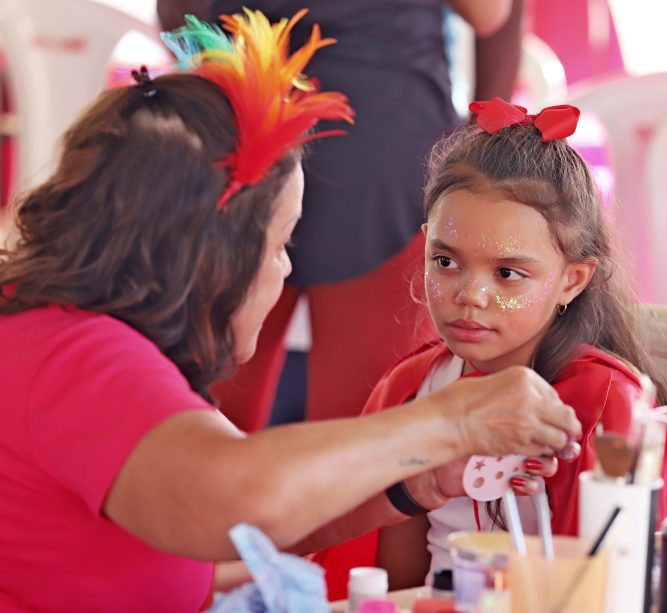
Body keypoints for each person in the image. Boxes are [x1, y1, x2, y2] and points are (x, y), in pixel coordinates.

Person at [0, 14, 582, 611]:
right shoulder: (76, 358)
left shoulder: (63, 335)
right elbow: (237, 498)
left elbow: (233, 542)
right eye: (280, 245)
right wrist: (450, 421)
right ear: (214, 255)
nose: (284, 270)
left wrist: (412, 486)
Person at [358, 97, 667, 587]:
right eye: (445, 262)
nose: (470, 296)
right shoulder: (413, 385)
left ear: (572, 280)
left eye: (508, 273)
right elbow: (391, 579)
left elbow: (608, 584)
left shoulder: (603, 407)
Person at [158, 0, 518, 433]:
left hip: (268, 142)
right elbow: (494, 15)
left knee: (208, 424)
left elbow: (177, 17)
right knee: (359, 439)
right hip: (339, 148)